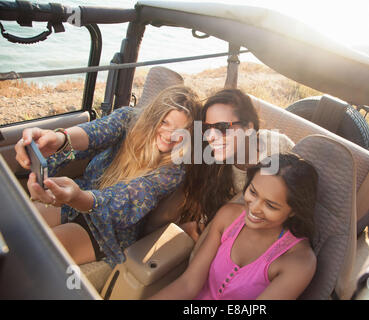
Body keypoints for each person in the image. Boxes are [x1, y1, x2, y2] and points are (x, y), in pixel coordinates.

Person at [14, 85, 202, 268]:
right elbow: (95, 132)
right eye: (164, 122)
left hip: (107, 230)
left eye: (181, 130)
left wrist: (76, 196)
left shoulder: (173, 171)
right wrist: (60, 140)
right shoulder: (128, 119)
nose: (170, 135)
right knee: (16, 225)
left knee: (29, 250)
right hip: (80, 199)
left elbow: (120, 203)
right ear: (153, 117)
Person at [151, 153, 318, 300]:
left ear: (293, 211)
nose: (254, 208)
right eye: (253, 192)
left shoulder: (299, 262)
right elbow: (188, 284)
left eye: (271, 205)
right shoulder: (228, 216)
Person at [179, 88, 295, 240]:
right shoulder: (215, 168)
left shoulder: (279, 147)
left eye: (222, 127)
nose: (211, 137)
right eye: (207, 128)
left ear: (248, 128)